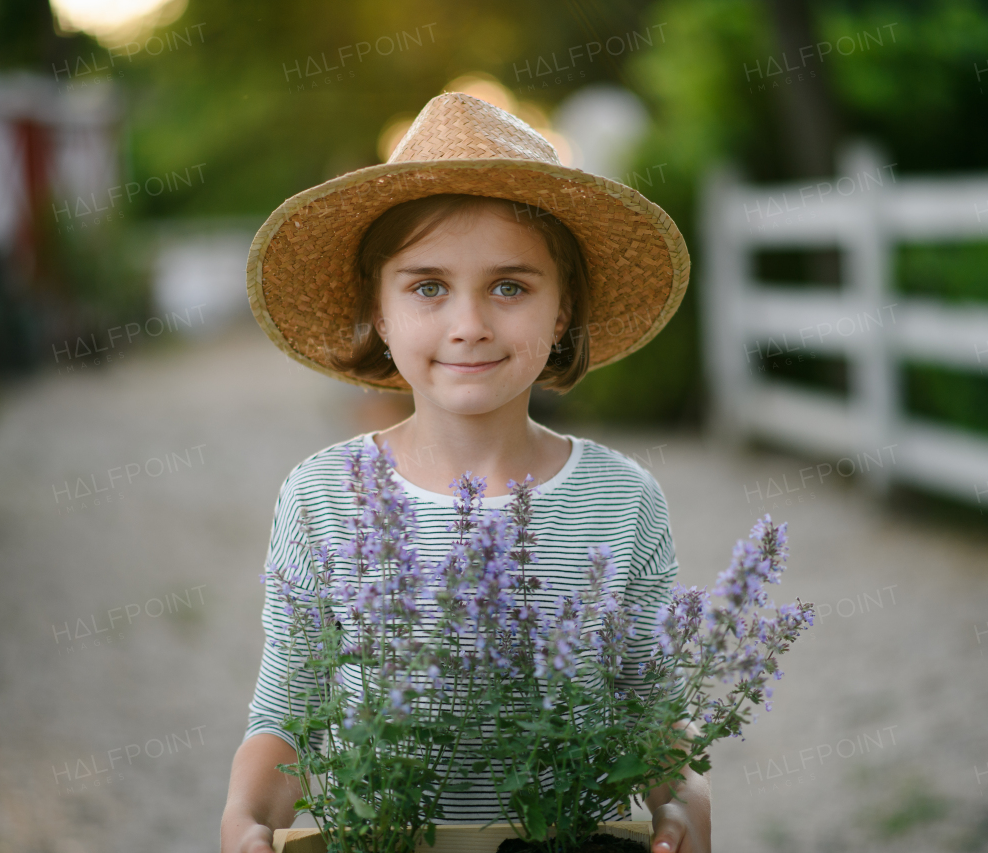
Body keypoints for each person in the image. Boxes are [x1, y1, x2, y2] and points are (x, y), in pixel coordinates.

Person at [220, 92, 707, 853]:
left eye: (511, 286)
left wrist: (681, 801)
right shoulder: (322, 496)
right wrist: (247, 818)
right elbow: (291, 706)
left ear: (561, 311)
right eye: (428, 286)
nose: (470, 322)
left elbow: (649, 705)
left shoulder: (621, 500)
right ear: (378, 312)